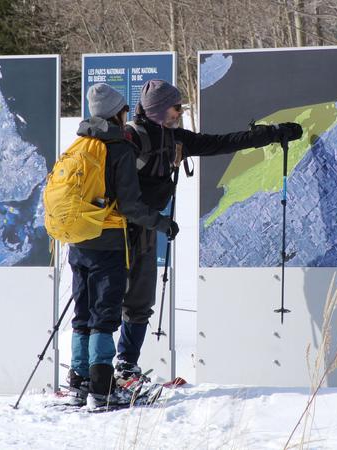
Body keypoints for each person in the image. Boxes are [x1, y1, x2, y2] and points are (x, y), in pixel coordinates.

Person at [115, 79, 303, 379]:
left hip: (148, 230)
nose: (180, 112)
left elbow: (220, 142)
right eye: (176, 107)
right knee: (107, 302)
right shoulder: (131, 139)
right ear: (160, 110)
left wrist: (268, 135)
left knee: (139, 303)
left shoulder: (175, 139)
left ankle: (126, 367)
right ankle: (91, 374)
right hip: (115, 229)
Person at [66, 83, 179, 407]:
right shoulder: (119, 148)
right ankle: (102, 390)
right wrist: (163, 223)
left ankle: (80, 384)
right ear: (117, 113)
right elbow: (129, 205)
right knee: (105, 316)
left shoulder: (81, 144)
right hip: (108, 243)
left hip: (78, 240)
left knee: (82, 314)